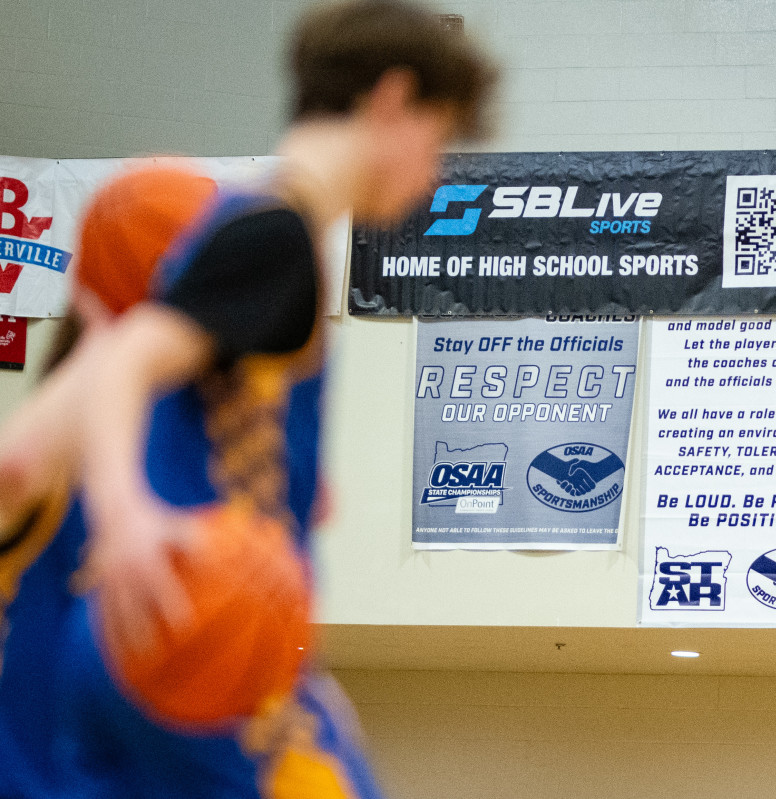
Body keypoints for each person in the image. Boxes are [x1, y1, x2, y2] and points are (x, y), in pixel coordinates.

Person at [0, 2, 495, 796]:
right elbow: (126, 361)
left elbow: (61, 425)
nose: (435, 170)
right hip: (191, 618)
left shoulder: (261, 234)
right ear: (392, 101)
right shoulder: (277, 234)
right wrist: (127, 519)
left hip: (184, 624)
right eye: (440, 137)